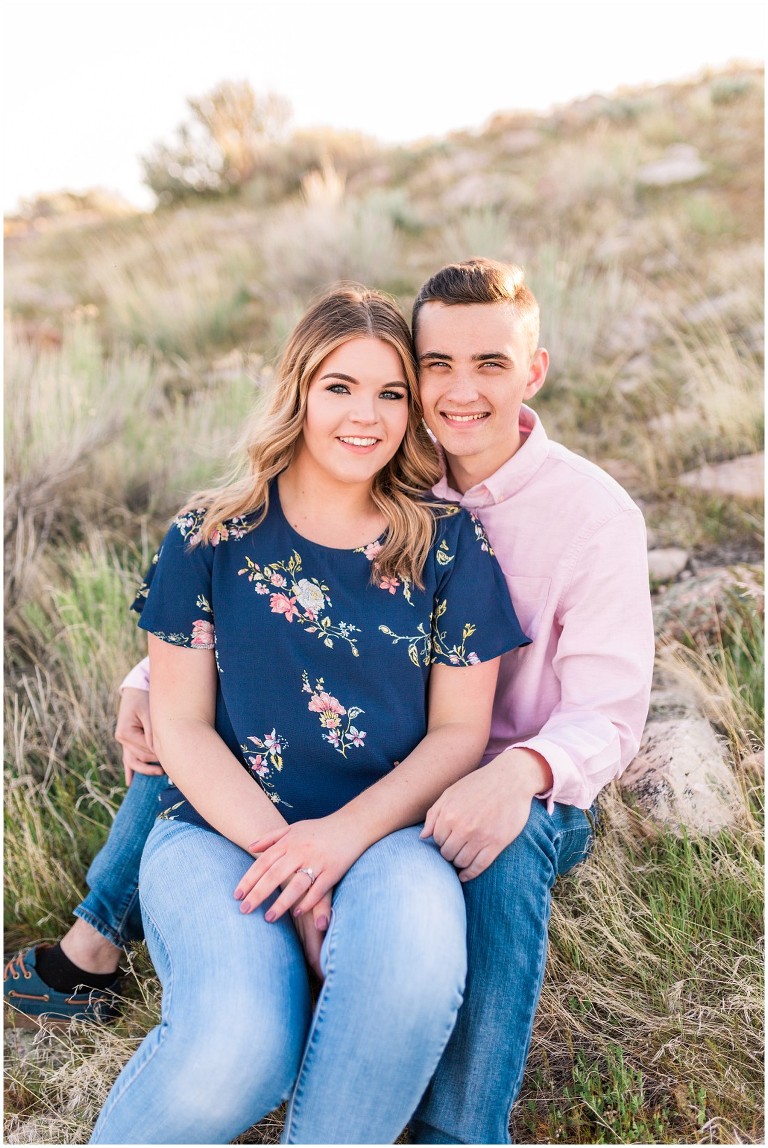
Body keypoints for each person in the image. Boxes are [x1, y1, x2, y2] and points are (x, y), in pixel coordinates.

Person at [5, 259, 655, 1145]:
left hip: (461, 792)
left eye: (488, 366)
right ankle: (99, 945)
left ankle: (460, 1129)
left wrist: (505, 778)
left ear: (531, 373)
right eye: (434, 368)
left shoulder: (522, 526)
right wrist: (151, 683)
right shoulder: (276, 510)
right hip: (262, 808)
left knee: (462, 900)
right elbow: (233, 659)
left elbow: (575, 716)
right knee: (235, 1023)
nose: (456, 392)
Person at [81, 283, 525, 1144]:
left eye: (391, 393)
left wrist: (334, 846)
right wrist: (288, 865)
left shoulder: (448, 545)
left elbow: (459, 734)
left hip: (392, 835)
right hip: (220, 833)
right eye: (339, 387)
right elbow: (181, 725)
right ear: (298, 391)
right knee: (240, 1046)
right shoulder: (207, 537)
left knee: (409, 974)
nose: (366, 415)